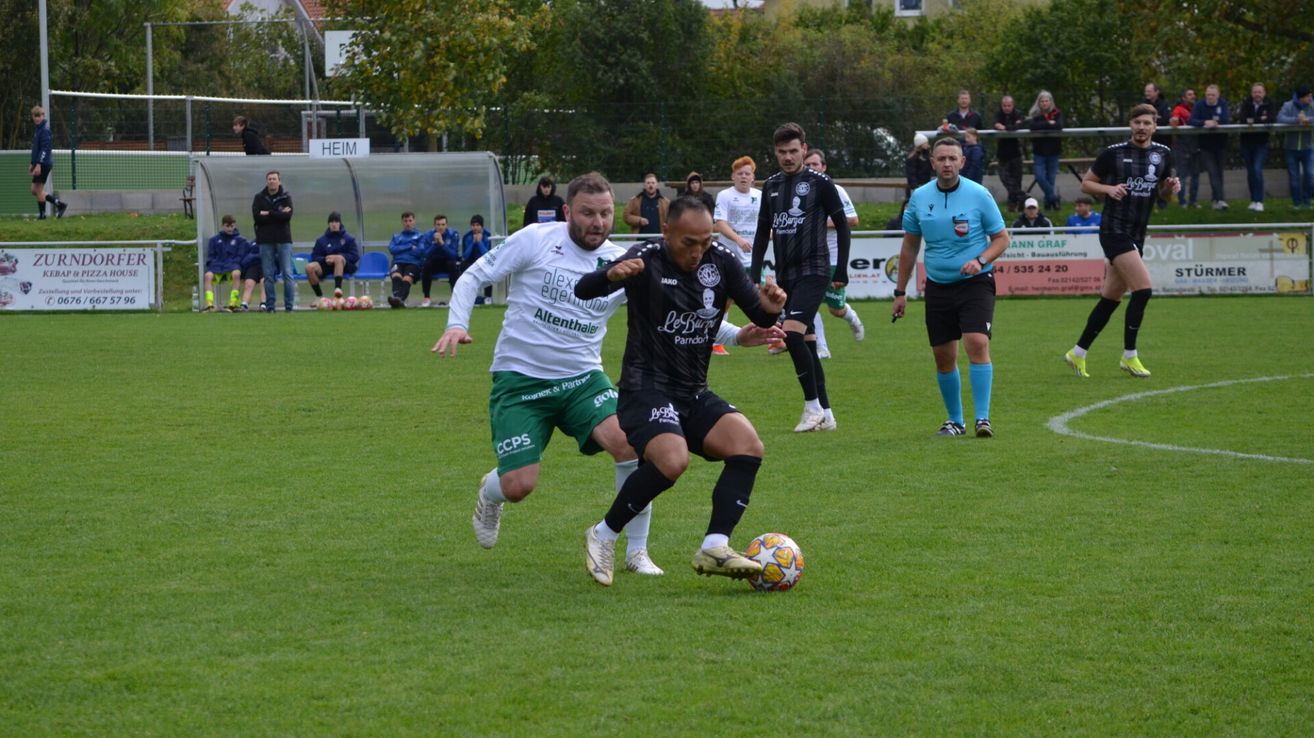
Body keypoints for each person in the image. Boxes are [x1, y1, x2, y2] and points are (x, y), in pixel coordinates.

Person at [432, 173, 780, 579]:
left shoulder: (624, 258)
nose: (598, 222)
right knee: (519, 486)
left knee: (634, 447)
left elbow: (679, 313)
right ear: (567, 212)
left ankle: (636, 551)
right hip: (522, 379)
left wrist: (739, 336)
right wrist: (457, 323)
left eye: (605, 213)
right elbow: (475, 275)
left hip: (583, 379)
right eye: (587, 213)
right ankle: (491, 493)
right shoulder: (536, 239)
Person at [575, 196, 788, 586]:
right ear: (667, 231)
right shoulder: (646, 257)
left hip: (693, 390)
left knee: (748, 446)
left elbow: (758, 314)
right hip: (645, 389)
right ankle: (603, 534)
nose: (698, 251)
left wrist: (770, 307)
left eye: (705, 241)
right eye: (689, 242)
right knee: (672, 461)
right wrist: (611, 275)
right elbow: (583, 289)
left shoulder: (721, 260)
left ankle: (715, 545)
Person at [892, 136, 1010, 438]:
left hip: (975, 282)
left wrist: (979, 259)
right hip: (938, 286)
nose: (947, 163)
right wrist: (900, 292)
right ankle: (955, 421)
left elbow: (1002, 239)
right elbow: (909, 247)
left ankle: (983, 419)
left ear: (962, 162)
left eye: (952, 158)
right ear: (932, 163)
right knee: (943, 356)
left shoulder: (979, 194)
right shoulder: (919, 197)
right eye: (941, 158)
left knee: (976, 342)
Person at [1063, 104, 1180, 380]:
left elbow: (1165, 196)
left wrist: (1170, 189)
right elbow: (1086, 184)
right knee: (1143, 290)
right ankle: (1130, 356)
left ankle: (1077, 353)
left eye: (1146, 123)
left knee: (1111, 298)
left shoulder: (1163, 154)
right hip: (1114, 230)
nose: (1141, 127)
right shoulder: (1113, 153)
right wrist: (1108, 189)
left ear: (1155, 126)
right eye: (1137, 122)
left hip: (1138, 232)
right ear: (1130, 125)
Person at [751, 122, 852, 433]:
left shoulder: (821, 182)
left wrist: (843, 268)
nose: (788, 157)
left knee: (792, 335)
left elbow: (843, 224)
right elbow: (761, 232)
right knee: (806, 344)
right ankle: (828, 415)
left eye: (794, 151)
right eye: (782, 152)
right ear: (775, 153)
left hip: (815, 270)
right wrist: (755, 275)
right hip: (786, 275)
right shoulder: (770, 186)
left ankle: (811, 408)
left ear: (804, 150)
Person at [802, 148, 865, 360]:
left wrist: (823, 223)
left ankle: (852, 318)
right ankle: (822, 348)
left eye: (815, 165)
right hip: (810, 257)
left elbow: (853, 219)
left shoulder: (835, 190)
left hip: (833, 257)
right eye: (807, 165)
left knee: (835, 309)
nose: (811, 168)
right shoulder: (801, 192)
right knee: (807, 305)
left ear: (824, 167)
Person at [251, 170, 295, 312]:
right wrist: (277, 213)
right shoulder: (259, 198)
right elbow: (257, 217)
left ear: (279, 181)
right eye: (269, 179)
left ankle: (289, 306)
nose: (272, 181)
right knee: (268, 274)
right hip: (265, 240)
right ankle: (270, 306)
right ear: (266, 181)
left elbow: (286, 217)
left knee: (287, 273)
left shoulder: (286, 197)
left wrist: (268, 213)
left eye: (274, 179)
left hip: (283, 239)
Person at [1189, 84, 1231, 210]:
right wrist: (1204, 122)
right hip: (1205, 146)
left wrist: (1216, 123)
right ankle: (1220, 199)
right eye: (1208, 94)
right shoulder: (1200, 105)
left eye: (1213, 95)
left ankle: (1216, 200)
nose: (1210, 97)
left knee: (1219, 173)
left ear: (1218, 95)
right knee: (1213, 173)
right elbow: (1191, 121)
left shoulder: (1223, 104)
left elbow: (1226, 119)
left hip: (1221, 145)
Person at [307, 212, 360, 301]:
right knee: (309, 267)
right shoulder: (321, 240)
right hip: (326, 265)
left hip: (344, 266)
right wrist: (325, 259)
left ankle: (338, 290)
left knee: (338, 258)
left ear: (340, 223)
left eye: (336, 221)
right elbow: (314, 256)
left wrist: (338, 257)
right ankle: (319, 297)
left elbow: (355, 256)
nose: (334, 224)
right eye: (331, 222)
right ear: (328, 224)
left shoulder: (348, 239)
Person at [1277, 85, 1314, 209]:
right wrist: (1296, 120)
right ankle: (1297, 203)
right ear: (1301, 97)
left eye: (1311, 96)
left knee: (1310, 175)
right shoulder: (1288, 105)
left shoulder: (1312, 105)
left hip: (1308, 147)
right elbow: (1280, 118)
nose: (1310, 98)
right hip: (1291, 148)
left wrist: (1307, 120)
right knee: (1294, 177)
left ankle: (1307, 200)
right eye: (1308, 96)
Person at [202, 215, 248, 311]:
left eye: (232, 226)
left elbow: (240, 256)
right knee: (207, 276)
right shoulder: (214, 240)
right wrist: (213, 264)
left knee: (236, 273)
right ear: (222, 226)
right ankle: (210, 305)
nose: (230, 228)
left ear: (235, 225)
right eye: (227, 226)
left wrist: (232, 264)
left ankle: (233, 303)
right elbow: (211, 256)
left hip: (232, 266)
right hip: (217, 267)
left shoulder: (240, 240)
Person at [1028, 90, 1065, 210]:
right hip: (1039, 151)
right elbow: (1033, 127)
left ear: (1050, 102)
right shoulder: (1035, 114)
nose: (1044, 103)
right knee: (1040, 177)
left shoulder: (1057, 113)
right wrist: (1049, 123)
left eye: (1046, 101)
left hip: (1054, 151)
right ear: (1039, 103)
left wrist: (1045, 124)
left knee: (1051, 179)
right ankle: (1054, 198)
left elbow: (1059, 126)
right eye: (1042, 101)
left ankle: (1048, 203)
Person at [28, 106, 66, 220]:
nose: (37, 118)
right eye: (35, 116)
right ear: (33, 117)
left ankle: (42, 216)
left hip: (44, 164)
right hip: (39, 163)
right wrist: (32, 163)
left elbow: (44, 149)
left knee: (38, 190)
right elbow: (36, 149)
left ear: (43, 116)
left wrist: (38, 164)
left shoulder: (44, 130)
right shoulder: (38, 130)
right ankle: (60, 205)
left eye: (39, 115)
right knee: (34, 190)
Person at [385, 212, 426, 308]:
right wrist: (409, 246)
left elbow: (420, 252)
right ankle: (399, 301)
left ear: (414, 221)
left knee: (407, 278)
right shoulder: (396, 236)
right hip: (398, 262)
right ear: (402, 222)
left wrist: (400, 248)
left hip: (413, 263)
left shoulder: (420, 236)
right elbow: (392, 250)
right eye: (405, 221)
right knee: (396, 275)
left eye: (410, 221)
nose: (408, 223)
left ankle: (397, 300)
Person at [993, 95, 1027, 211]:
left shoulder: (1018, 114)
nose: (1006, 108)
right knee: (1005, 178)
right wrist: (1009, 127)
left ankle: (1015, 207)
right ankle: (1023, 196)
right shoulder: (998, 114)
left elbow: (1018, 125)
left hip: (1016, 152)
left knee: (1017, 180)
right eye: (1004, 105)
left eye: (1009, 105)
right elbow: (995, 124)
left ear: (1013, 105)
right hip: (1002, 153)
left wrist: (1006, 127)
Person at [420, 214, 461, 307]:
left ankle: (455, 298)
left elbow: (453, 255)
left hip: (447, 263)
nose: (440, 227)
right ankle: (426, 297)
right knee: (426, 264)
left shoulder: (453, 234)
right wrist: (435, 243)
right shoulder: (428, 235)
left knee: (453, 264)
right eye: (438, 225)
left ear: (446, 225)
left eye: (443, 224)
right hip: (434, 263)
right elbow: (425, 255)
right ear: (434, 226)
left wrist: (442, 243)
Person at [1169, 88, 1200, 207]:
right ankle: (1182, 202)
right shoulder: (1179, 109)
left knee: (1196, 175)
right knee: (1182, 176)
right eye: (1190, 94)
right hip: (1182, 147)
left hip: (1196, 146)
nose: (1193, 96)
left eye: (1193, 94)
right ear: (1184, 98)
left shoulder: (1197, 109)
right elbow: (1174, 119)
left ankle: (1193, 201)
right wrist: (1174, 120)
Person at [460, 215, 493, 305]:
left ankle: (488, 296)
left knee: (489, 267)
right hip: (471, 262)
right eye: (473, 225)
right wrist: (473, 242)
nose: (475, 227)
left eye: (477, 225)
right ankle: (466, 295)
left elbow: (488, 255)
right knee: (463, 266)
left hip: (484, 261)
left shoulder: (488, 236)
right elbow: (465, 256)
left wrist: (479, 242)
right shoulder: (467, 236)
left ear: (482, 226)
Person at [235, 236, 263, 312]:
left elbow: (276, 257)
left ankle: (263, 304)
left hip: (266, 265)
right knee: (249, 283)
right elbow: (245, 258)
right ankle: (244, 304)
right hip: (253, 266)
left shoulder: (272, 242)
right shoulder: (251, 243)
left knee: (264, 282)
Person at [905, 132, 932, 198]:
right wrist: (915, 187)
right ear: (921, 144)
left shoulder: (927, 156)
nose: (927, 144)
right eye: (926, 143)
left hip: (926, 185)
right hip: (917, 186)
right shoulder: (913, 158)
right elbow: (911, 174)